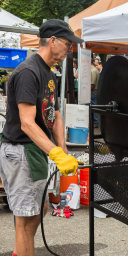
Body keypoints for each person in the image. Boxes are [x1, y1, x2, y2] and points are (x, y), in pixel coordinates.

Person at [0, 19, 83, 256]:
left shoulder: (49, 73)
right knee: (25, 219)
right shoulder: (28, 72)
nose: (70, 49)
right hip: (20, 151)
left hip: (35, 150)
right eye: (68, 44)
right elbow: (27, 122)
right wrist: (55, 153)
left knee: (40, 209)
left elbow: (54, 114)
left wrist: (63, 149)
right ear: (53, 41)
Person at [90, 58, 100, 127]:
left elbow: (92, 84)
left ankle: (96, 122)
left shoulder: (93, 71)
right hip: (93, 91)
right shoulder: (94, 70)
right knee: (94, 106)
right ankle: (95, 122)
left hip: (93, 92)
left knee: (93, 107)